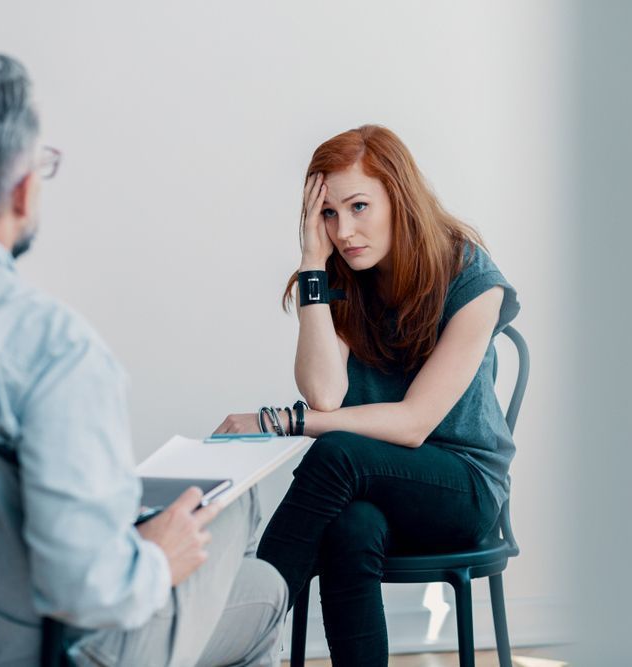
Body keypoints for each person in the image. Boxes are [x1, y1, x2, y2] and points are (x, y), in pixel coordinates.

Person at [0, 53, 287, 667]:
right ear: (24, 188)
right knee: (230, 503)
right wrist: (153, 557)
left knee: (261, 591)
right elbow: (90, 592)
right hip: (61, 650)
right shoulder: (46, 344)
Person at [214, 125, 521, 666]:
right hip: (374, 487)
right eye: (328, 214)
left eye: (358, 206)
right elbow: (326, 395)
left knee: (335, 453)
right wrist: (312, 264)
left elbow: (414, 423)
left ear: (398, 198)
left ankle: (234, 630)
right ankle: (240, 630)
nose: (345, 230)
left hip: (463, 487)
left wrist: (283, 420)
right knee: (350, 526)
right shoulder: (341, 276)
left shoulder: (470, 275)